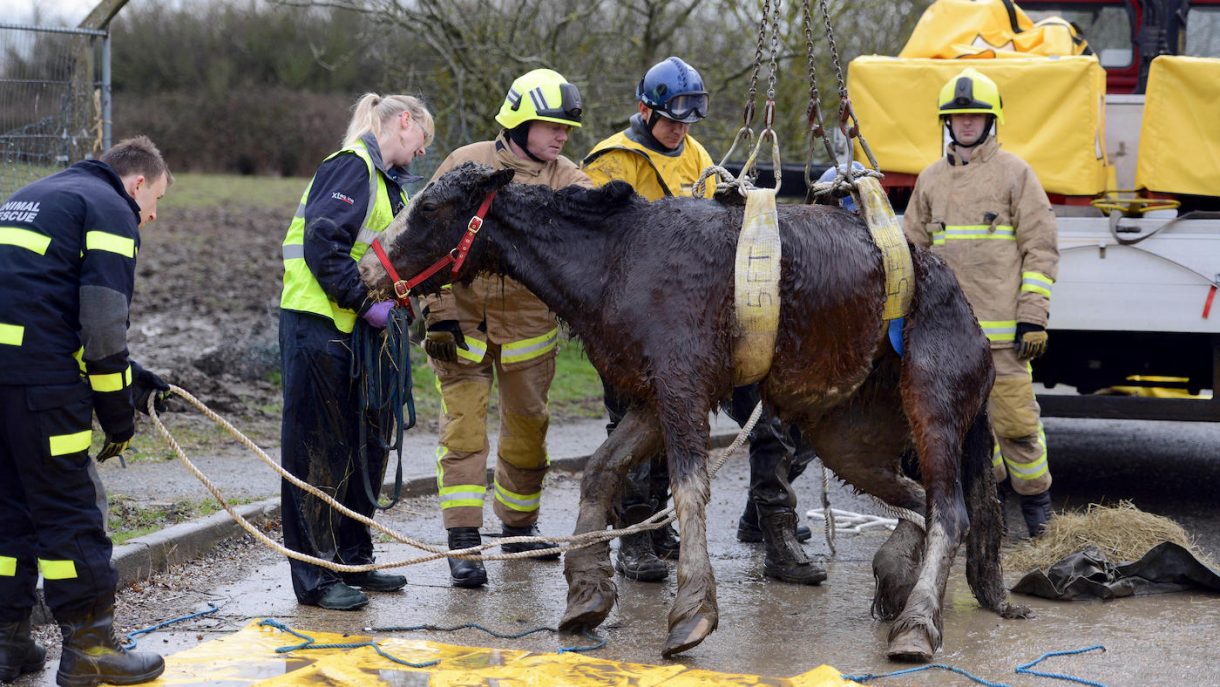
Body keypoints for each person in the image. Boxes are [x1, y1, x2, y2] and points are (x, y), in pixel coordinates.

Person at [582, 57, 823, 586]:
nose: (680, 131)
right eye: (671, 121)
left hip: (702, 321)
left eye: (688, 123)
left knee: (769, 418)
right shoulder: (611, 162)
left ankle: (776, 534)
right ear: (645, 111)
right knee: (639, 429)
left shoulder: (698, 155)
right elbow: (599, 251)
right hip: (635, 328)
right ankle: (637, 538)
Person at [0, 136, 172, 685]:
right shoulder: (110, 211)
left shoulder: (34, 194)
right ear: (138, 183)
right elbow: (100, 327)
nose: (148, 218)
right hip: (41, 388)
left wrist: (132, 373)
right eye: (155, 203)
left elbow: (38, 302)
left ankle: (7, 644)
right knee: (69, 507)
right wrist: (119, 417)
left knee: (9, 512)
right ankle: (92, 650)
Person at [420, 68, 592, 588]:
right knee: (464, 433)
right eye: (551, 126)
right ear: (519, 122)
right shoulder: (466, 166)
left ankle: (519, 529)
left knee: (527, 433)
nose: (561, 137)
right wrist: (439, 307)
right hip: (462, 326)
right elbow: (421, 239)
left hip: (530, 332)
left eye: (566, 130)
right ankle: (464, 544)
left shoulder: (568, 178)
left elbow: (601, 232)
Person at [279, 93, 433, 610]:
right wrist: (362, 302)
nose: (420, 154)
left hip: (357, 334)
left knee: (363, 445)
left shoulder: (385, 183)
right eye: (421, 141)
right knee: (318, 451)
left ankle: (354, 559)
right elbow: (323, 244)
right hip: (318, 324)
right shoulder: (352, 167)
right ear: (404, 122)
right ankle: (317, 578)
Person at [902, 68, 1057, 537]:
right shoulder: (929, 180)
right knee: (966, 436)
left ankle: (1041, 523)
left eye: (975, 116)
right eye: (957, 117)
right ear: (946, 123)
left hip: (1005, 337)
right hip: (948, 340)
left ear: (992, 121)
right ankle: (986, 527)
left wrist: (1033, 316)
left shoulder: (1015, 174)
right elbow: (909, 254)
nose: (966, 124)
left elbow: (1042, 246)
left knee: (1017, 428)